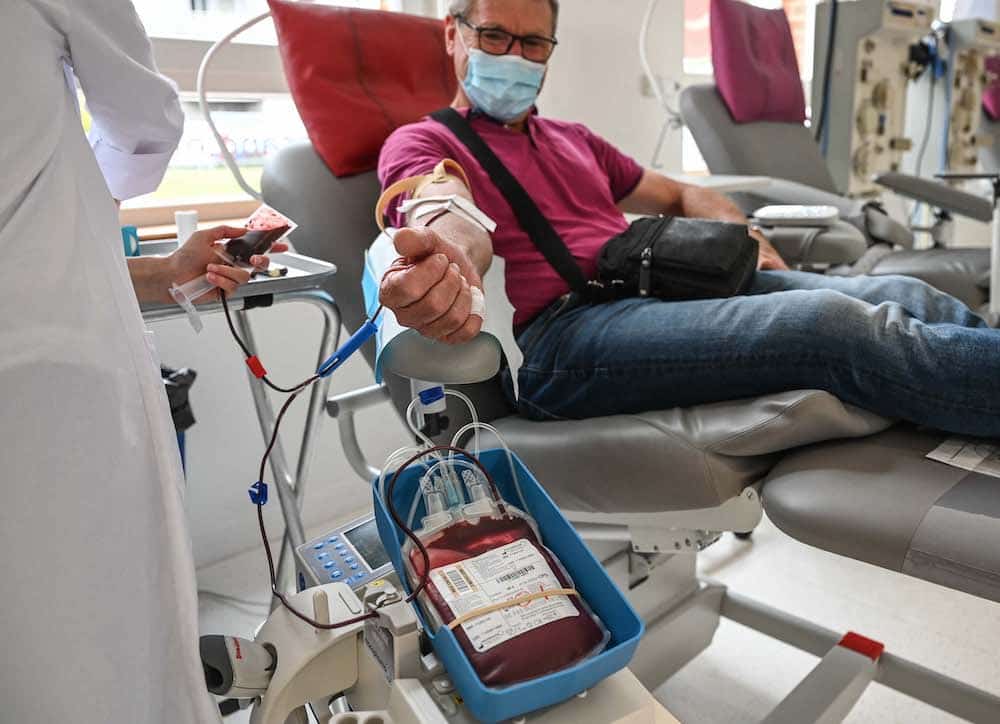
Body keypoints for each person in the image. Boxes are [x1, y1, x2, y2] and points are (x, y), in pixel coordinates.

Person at [377, 0, 1000, 437]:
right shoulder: (426, 141)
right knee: (833, 324)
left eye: (533, 42)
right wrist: (451, 258)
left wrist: (751, 242)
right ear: (453, 35)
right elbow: (443, 204)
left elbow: (678, 196)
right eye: (493, 36)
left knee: (903, 291)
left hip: (659, 291)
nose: (514, 55)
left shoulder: (572, 139)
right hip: (571, 343)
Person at [0, 2, 280, 721]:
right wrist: (83, 203)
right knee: (106, 650)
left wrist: (156, 271)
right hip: (52, 391)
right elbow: (145, 126)